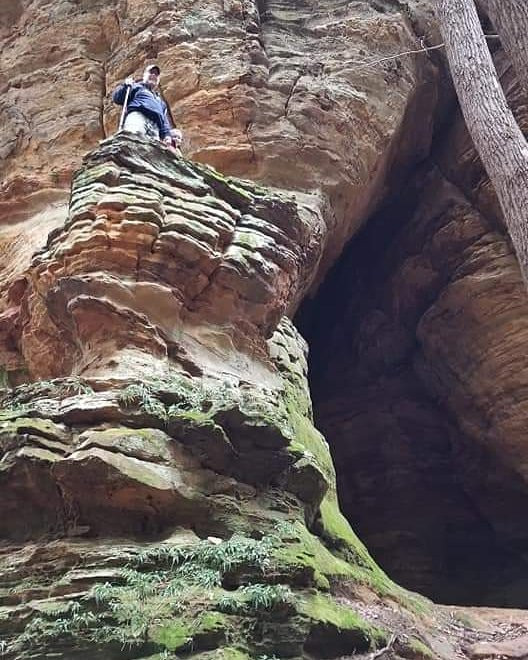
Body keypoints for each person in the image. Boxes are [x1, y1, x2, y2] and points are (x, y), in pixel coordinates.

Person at [112, 64, 172, 145]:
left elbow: (164, 121)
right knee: (133, 138)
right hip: (138, 116)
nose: (154, 75)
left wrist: (167, 135)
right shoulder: (136, 86)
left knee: (153, 150)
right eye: (151, 72)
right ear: (144, 76)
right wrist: (125, 86)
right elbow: (117, 98)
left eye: (156, 74)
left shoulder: (161, 102)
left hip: (155, 126)